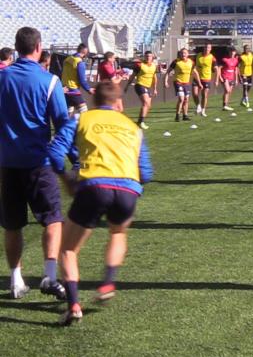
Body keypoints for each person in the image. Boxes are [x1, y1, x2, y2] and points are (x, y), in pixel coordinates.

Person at [49, 81, 153, 326]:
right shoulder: (132, 127)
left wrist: (66, 178)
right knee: (118, 233)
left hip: (94, 186)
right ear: (119, 102)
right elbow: (146, 173)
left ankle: (74, 304)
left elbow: (54, 153)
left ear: (94, 101)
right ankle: (107, 282)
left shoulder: (81, 120)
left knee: (67, 249)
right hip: (127, 188)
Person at [0, 27, 71, 300]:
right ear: (38, 47)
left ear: (17, 48)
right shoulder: (50, 81)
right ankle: (49, 277)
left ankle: (16, 280)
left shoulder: (2, 78)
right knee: (52, 219)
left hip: (8, 163)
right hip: (38, 163)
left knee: (12, 224)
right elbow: (63, 123)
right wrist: (63, 156)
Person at [164, 48, 199, 122]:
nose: (183, 54)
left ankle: (185, 115)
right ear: (180, 54)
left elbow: (194, 72)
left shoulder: (191, 62)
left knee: (186, 100)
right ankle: (177, 115)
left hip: (186, 83)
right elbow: (168, 72)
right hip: (178, 82)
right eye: (182, 53)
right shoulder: (176, 62)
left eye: (185, 53)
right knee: (181, 99)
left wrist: (199, 83)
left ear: (188, 54)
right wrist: (165, 81)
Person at [125, 51, 158, 129]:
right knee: (146, 103)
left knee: (148, 105)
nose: (148, 58)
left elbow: (154, 78)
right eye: (146, 56)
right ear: (144, 57)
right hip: (140, 85)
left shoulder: (154, 66)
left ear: (152, 57)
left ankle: (139, 122)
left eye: (149, 56)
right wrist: (127, 86)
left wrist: (155, 89)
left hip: (148, 86)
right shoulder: (140, 65)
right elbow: (132, 76)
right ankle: (141, 122)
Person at [61, 43, 95, 116]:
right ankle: (81, 127)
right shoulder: (80, 62)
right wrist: (88, 89)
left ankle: (65, 126)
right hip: (73, 89)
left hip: (64, 89)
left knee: (69, 111)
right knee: (84, 112)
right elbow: (82, 80)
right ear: (85, 52)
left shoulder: (67, 59)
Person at [193, 44, 216, 117]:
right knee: (195, 93)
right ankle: (198, 106)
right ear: (204, 48)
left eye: (208, 48)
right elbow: (193, 65)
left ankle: (203, 110)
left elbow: (216, 68)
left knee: (204, 95)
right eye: (206, 47)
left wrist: (217, 79)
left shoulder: (212, 57)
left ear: (210, 49)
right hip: (197, 77)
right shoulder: (198, 55)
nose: (207, 49)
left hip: (206, 78)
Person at [217, 47, 239, 112]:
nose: (232, 53)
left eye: (233, 52)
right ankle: (224, 105)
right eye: (231, 52)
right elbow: (219, 68)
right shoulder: (225, 60)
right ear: (229, 53)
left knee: (229, 92)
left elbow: (236, 69)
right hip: (225, 77)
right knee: (227, 90)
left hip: (231, 78)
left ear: (235, 52)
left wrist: (236, 79)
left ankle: (226, 105)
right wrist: (220, 77)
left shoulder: (236, 60)